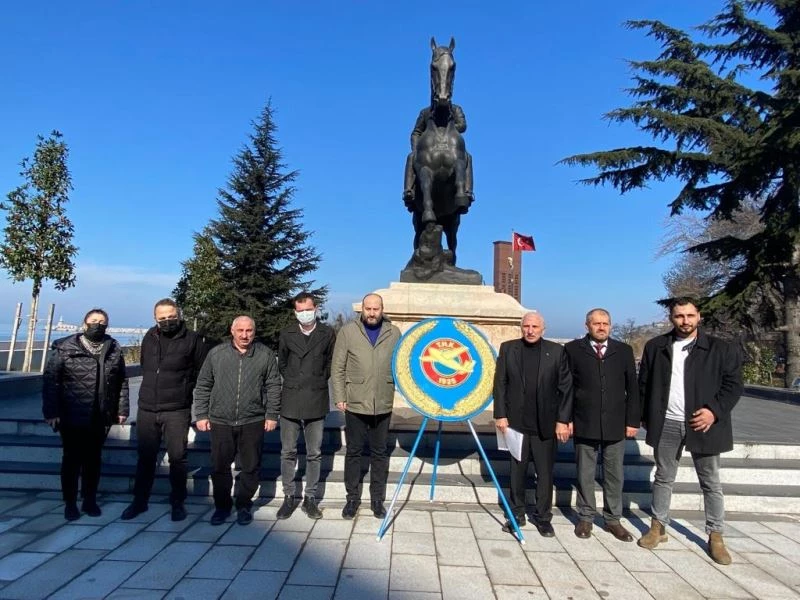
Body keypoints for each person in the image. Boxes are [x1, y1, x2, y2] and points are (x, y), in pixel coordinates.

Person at [637, 297, 743, 565]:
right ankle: (657, 527)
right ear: (671, 318)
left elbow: (733, 385)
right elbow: (644, 384)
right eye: (679, 316)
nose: (685, 321)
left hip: (703, 422)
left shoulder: (720, 348)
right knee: (663, 477)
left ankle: (715, 535)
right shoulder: (656, 346)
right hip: (668, 422)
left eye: (690, 316)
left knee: (710, 481)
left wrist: (713, 411)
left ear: (699, 317)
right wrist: (644, 416)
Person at [121, 298, 209, 522]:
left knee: (178, 458)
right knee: (146, 457)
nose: (167, 321)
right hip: (147, 407)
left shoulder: (193, 339)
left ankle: (177, 502)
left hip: (176, 408)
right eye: (162, 318)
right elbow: (145, 365)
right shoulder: (149, 337)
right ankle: (139, 501)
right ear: (155, 318)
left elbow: (201, 371)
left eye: (171, 316)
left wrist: (186, 390)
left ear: (178, 315)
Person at [194, 316, 281, 526]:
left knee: (251, 466)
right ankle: (222, 507)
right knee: (220, 466)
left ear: (254, 332)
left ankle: (243, 504)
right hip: (221, 420)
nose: (244, 335)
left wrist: (271, 414)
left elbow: (273, 385)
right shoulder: (216, 354)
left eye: (249, 330)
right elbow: (204, 384)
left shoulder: (265, 355)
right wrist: (201, 414)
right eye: (240, 330)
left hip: (252, 419)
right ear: (232, 331)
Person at [42, 308, 129, 521]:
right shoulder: (64, 347)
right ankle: (70, 503)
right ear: (84, 323)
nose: (97, 325)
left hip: (100, 414)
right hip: (72, 413)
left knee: (93, 460)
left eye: (102, 322)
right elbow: (51, 380)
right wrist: (51, 411)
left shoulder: (113, 347)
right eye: (93, 320)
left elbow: (121, 381)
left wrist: (122, 409)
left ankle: (89, 500)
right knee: (71, 460)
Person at [561, 309, 639, 541]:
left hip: (615, 423)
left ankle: (613, 519)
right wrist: (566, 418)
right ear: (587, 326)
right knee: (585, 473)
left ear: (610, 326)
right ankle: (586, 517)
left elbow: (632, 388)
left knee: (614, 474)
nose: (601, 327)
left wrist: (632, 420)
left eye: (605, 323)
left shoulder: (623, 351)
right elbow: (567, 387)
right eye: (596, 323)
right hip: (584, 421)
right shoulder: (573, 349)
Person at [493, 311, 573, 537]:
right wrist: (500, 414)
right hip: (516, 423)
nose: (530, 331)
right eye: (526, 326)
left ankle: (543, 517)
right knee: (517, 472)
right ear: (521, 328)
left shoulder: (556, 351)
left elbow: (566, 388)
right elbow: (500, 383)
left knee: (545, 473)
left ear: (543, 329)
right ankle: (516, 514)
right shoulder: (508, 349)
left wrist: (563, 420)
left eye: (535, 327)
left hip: (545, 425)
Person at [331, 293, 401, 520]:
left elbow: (401, 364)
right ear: (362, 309)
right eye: (368, 309)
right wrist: (340, 396)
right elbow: (338, 366)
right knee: (353, 451)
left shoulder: (393, 333)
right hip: (355, 402)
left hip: (382, 401)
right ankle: (352, 498)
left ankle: (377, 500)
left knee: (379, 453)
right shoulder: (348, 332)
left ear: (382, 309)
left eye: (376, 309)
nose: (371, 313)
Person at [275, 292, 336, 520]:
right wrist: (293, 379)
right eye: (300, 311)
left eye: (308, 309)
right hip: (291, 397)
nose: (304, 314)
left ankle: (310, 498)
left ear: (315, 308)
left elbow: (330, 362)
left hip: (316, 396)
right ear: (295, 312)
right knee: (288, 451)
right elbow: (282, 362)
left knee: (314, 453)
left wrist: (318, 379)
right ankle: (289, 496)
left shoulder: (327, 333)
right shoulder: (286, 333)